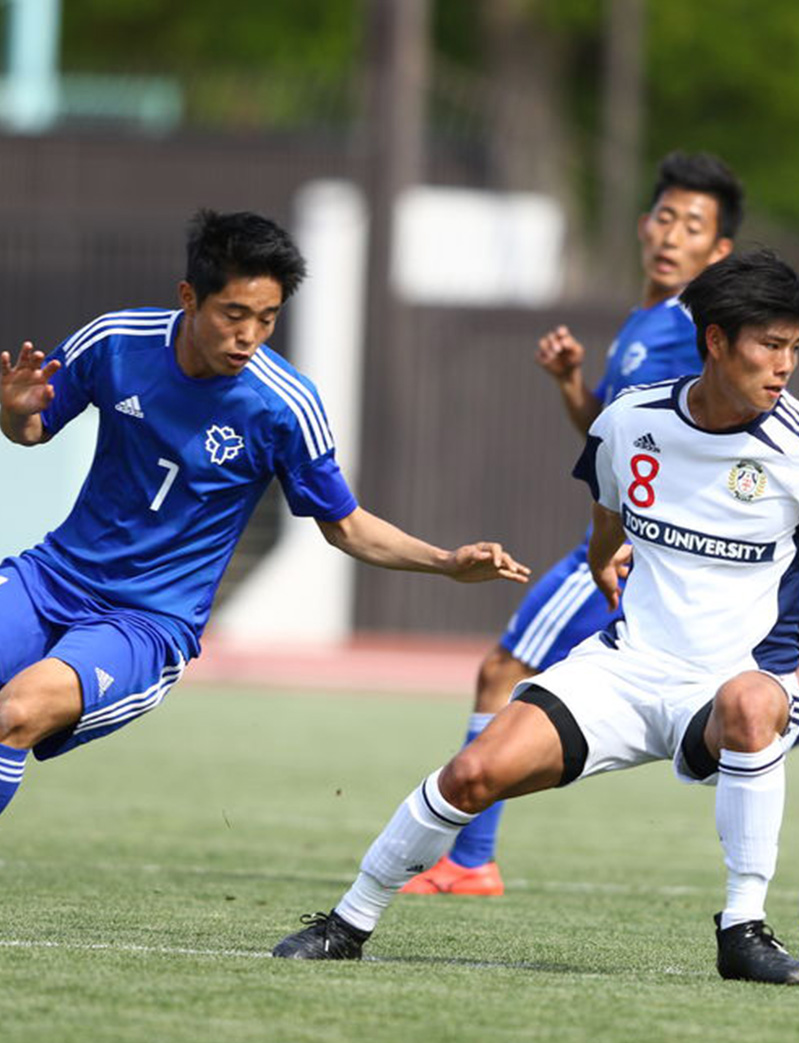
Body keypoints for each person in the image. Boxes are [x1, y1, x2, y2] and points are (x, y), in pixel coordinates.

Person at [272, 249, 799, 985]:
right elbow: (607, 510)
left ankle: (743, 929)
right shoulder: (630, 421)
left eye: (795, 347)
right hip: (625, 669)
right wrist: (606, 557)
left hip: (734, 682)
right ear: (717, 341)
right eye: (769, 344)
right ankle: (347, 922)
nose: (785, 364)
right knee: (472, 774)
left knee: (754, 701)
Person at [403, 151, 799, 897]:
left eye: (692, 226)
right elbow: (615, 430)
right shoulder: (644, 322)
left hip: (641, 546)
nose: (671, 236)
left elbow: (751, 435)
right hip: (638, 533)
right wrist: (571, 383)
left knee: (506, 672)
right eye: (664, 217)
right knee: (708, 730)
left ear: (717, 253)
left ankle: (471, 860)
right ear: (642, 224)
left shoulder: (689, 327)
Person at [0, 209, 529, 819]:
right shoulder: (116, 343)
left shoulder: (283, 406)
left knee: (17, 711)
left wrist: (445, 561)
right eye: (234, 314)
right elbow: (34, 429)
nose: (249, 335)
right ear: (189, 298)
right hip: (53, 577)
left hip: (146, 622)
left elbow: (348, 526)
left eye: (267, 319)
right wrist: (14, 412)